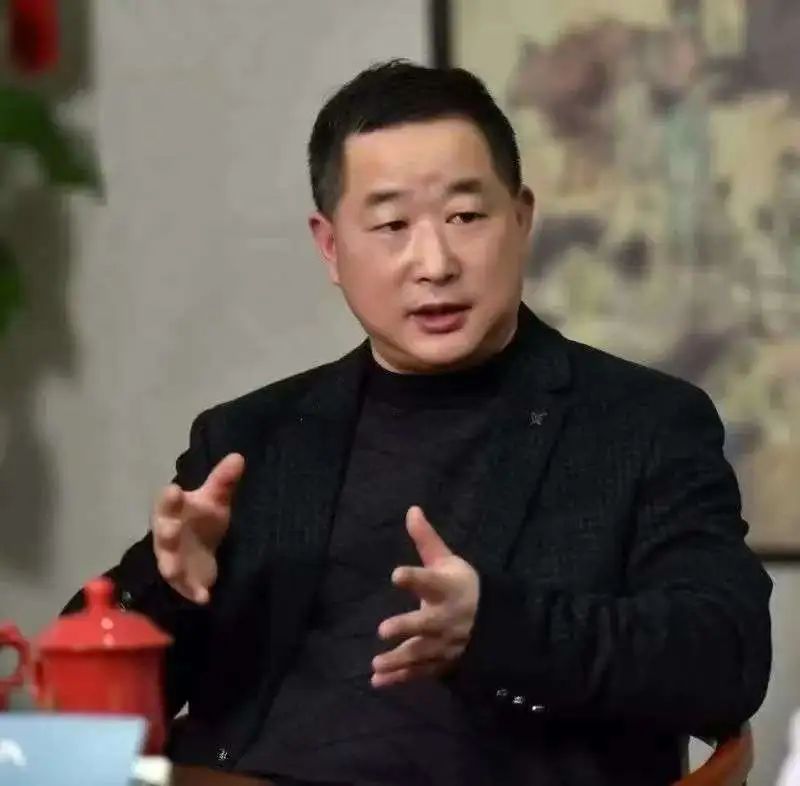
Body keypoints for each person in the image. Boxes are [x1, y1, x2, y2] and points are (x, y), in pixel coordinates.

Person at [65, 60, 771, 786]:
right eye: (392, 225)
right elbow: (72, 703)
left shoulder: (641, 425)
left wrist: (497, 628)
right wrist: (169, 588)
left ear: (521, 218)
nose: (434, 263)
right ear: (331, 247)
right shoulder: (251, 440)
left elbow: (727, 660)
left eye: (466, 217)